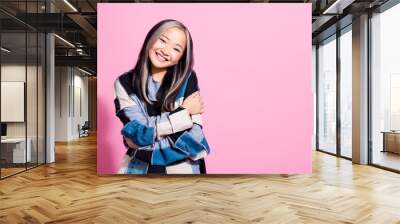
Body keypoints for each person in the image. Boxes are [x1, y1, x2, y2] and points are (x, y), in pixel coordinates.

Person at [113, 19, 210, 174]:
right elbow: (137, 133)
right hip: (139, 170)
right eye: (163, 40)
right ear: (151, 38)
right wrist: (183, 112)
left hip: (185, 171)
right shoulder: (124, 83)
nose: (165, 50)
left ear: (181, 57)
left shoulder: (188, 79)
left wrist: (144, 142)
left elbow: (195, 138)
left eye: (176, 49)